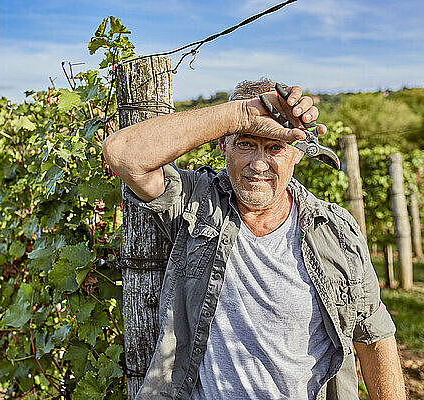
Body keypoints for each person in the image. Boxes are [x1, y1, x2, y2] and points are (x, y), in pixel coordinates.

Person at [102, 79, 405, 400]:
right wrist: (243, 114)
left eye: (276, 147)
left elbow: (374, 336)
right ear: (223, 145)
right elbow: (122, 154)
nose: (258, 166)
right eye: (246, 143)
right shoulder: (196, 202)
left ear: (298, 152)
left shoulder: (335, 229)